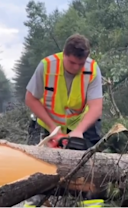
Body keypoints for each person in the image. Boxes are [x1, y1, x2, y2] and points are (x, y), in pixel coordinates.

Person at [24, 34, 104, 207]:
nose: (76, 67)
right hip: (51, 123)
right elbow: (31, 99)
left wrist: (79, 131)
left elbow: (96, 107)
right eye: (72, 63)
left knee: (93, 163)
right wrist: (55, 131)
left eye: (80, 64)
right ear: (64, 55)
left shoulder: (92, 69)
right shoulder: (47, 65)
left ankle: (91, 200)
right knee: (44, 165)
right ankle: (35, 200)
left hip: (81, 122)